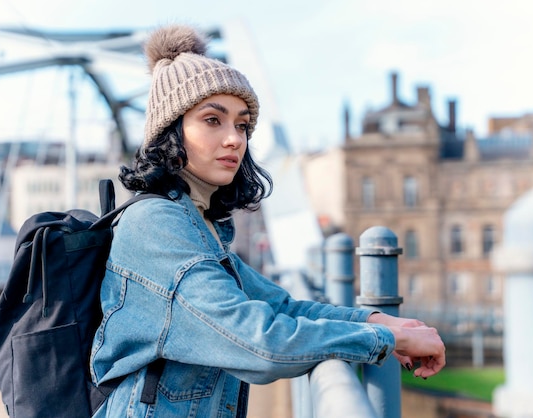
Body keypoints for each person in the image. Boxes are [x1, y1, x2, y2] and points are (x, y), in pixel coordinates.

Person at [90, 24, 445, 418]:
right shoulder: (156, 226)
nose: (234, 139)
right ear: (170, 130)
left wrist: (375, 319)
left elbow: (283, 307)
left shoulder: (199, 226)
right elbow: (257, 340)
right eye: (213, 120)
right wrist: (379, 338)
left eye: (242, 124)